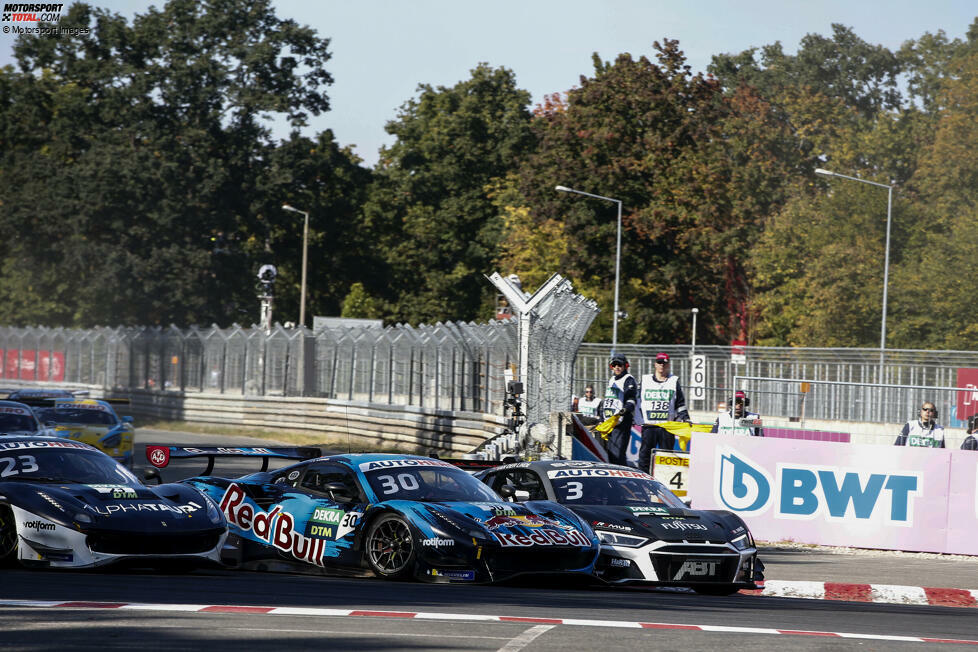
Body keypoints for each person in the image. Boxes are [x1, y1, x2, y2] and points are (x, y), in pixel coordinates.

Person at [637, 352, 689, 473]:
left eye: (664, 363)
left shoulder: (673, 381)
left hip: (667, 427)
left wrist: (685, 418)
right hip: (649, 426)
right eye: (659, 363)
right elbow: (637, 400)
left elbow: (680, 403)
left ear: (668, 365)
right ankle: (643, 481)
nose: (662, 365)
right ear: (655, 364)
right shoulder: (645, 380)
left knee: (666, 457)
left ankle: (665, 481)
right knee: (645, 456)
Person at [601, 353, 639, 466]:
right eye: (614, 365)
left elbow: (631, 398)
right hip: (610, 422)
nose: (617, 367)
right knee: (610, 455)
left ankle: (620, 481)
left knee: (617, 455)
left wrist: (625, 409)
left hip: (621, 422)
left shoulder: (629, 379)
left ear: (625, 366)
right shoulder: (612, 379)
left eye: (620, 365)